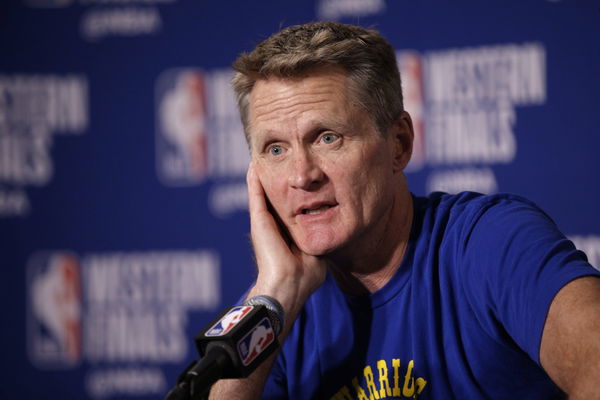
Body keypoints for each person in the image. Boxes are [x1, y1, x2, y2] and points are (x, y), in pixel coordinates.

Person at [210, 21, 600, 399]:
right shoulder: (277, 307)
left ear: (399, 143)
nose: (302, 175)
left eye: (328, 138)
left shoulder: (490, 241)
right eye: (275, 149)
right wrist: (272, 292)